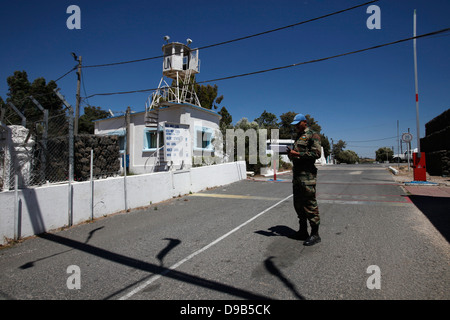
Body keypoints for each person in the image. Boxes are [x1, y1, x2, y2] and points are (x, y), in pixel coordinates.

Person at [287, 113, 322, 246]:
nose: (295, 126)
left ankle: (315, 234)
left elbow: (317, 154)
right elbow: (298, 156)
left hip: (307, 177)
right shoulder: (298, 136)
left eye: (297, 124)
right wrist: (291, 155)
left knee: (310, 205)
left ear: (304, 122)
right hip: (297, 176)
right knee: (298, 204)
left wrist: (298, 154)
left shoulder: (313, 135)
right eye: (294, 124)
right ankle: (302, 231)